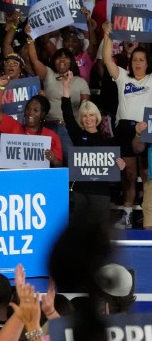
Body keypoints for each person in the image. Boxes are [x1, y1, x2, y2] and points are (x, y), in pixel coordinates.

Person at [61, 72, 131, 226]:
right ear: (81, 119)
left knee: (99, 231)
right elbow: (67, 114)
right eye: (84, 116)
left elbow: (117, 172)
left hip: (101, 193)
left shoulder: (109, 142)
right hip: (81, 192)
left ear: (97, 117)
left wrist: (122, 167)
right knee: (81, 229)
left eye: (91, 115)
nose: (88, 119)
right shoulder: (78, 136)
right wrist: (66, 86)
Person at [101, 21, 152, 229]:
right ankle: (128, 214)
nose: (138, 63)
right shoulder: (123, 76)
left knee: (147, 174)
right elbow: (106, 59)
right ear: (130, 63)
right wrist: (107, 35)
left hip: (147, 129)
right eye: (135, 60)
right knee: (129, 175)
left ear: (148, 63)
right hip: (124, 128)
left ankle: (148, 213)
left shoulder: (151, 79)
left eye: (142, 60)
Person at [0, 73, 63, 167]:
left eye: (35, 110)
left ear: (43, 114)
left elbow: (60, 165)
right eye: (28, 109)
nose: (30, 112)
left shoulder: (52, 136)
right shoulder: (14, 127)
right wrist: (1, 87)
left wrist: (54, 160)